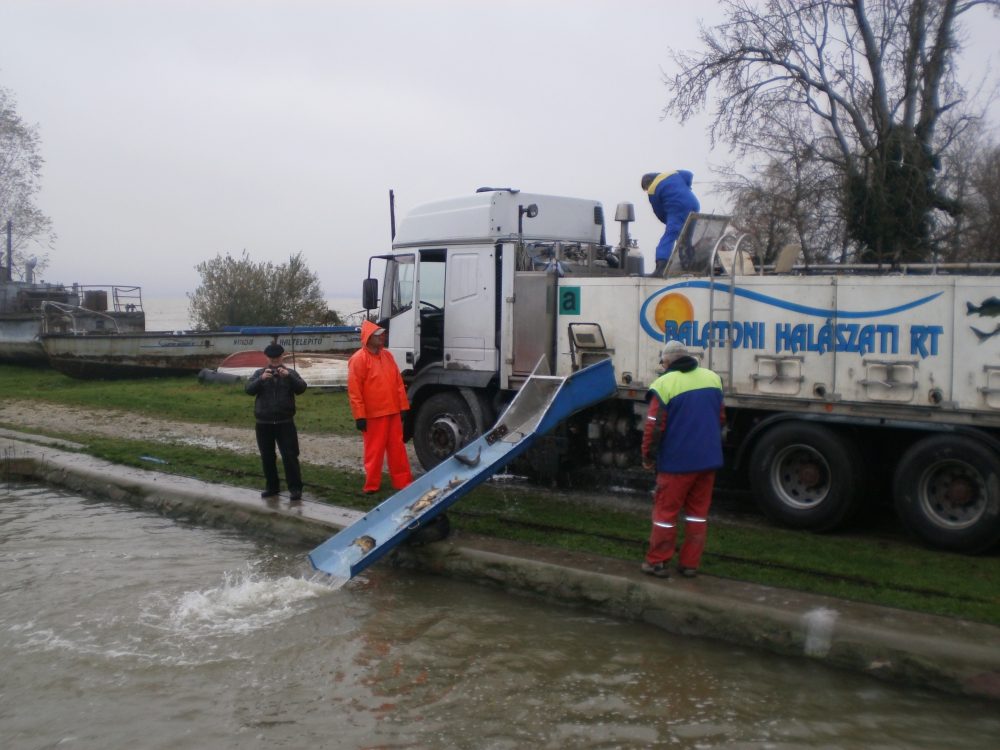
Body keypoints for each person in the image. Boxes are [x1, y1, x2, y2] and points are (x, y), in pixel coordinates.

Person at [641, 340, 725, 578]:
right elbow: (720, 417)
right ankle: (690, 564)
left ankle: (657, 562)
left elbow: (654, 427)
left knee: (666, 515)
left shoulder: (665, 383)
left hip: (677, 464)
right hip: (707, 461)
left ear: (667, 362)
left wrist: (648, 456)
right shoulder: (713, 378)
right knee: (697, 514)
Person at [348, 320, 413, 495]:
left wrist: (403, 406)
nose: (381, 337)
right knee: (374, 451)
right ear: (368, 338)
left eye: (381, 334)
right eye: (377, 334)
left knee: (397, 449)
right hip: (373, 415)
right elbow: (355, 391)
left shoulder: (388, 356)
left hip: (392, 412)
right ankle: (371, 485)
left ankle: (403, 482)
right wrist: (359, 415)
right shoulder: (358, 359)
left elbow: (398, 383)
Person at [244, 343, 307, 501]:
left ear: (283, 356)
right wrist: (261, 379)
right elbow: (248, 390)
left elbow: (301, 388)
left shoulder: (290, 372)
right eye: (271, 360)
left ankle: (295, 489)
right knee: (267, 456)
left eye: (277, 359)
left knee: (290, 456)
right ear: (267, 359)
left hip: (285, 421)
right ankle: (272, 487)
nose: (274, 362)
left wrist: (289, 376)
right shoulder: (259, 373)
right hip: (263, 422)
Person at [642, 171, 700, 277]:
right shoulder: (672, 173)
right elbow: (689, 175)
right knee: (686, 237)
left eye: (645, 188)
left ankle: (661, 266)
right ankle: (688, 265)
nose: (647, 190)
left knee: (669, 236)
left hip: (677, 208)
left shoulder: (652, 189)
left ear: (648, 182)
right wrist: (687, 188)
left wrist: (668, 221)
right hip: (693, 204)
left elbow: (658, 211)